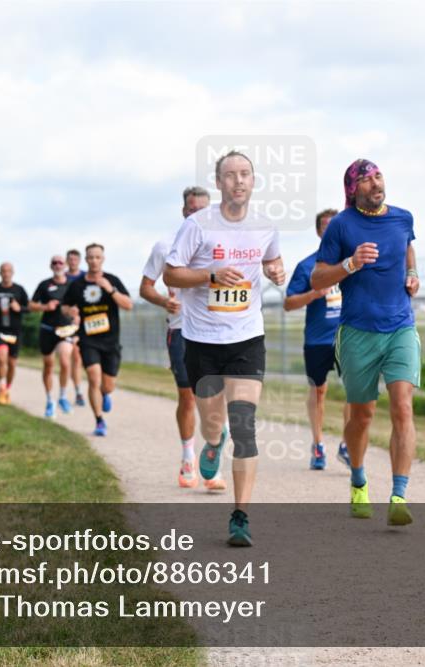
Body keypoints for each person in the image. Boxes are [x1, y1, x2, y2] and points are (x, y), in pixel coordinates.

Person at [164, 150, 285, 547]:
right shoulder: (198, 225)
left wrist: (275, 270)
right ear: (218, 183)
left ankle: (240, 516)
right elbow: (171, 274)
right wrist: (209, 275)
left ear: (254, 180)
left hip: (247, 338)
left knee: (245, 426)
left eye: (245, 173)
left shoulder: (265, 225)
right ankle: (214, 443)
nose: (238, 180)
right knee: (213, 423)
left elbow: (272, 260)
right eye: (230, 175)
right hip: (202, 340)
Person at [310, 159, 421, 526]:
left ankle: (399, 496)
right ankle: (358, 481)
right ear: (352, 189)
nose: (376, 183)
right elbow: (317, 278)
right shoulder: (341, 225)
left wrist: (412, 273)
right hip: (357, 332)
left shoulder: (403, 218)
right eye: (367, 179)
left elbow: (407, 248)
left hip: (400, 327)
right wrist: (351, 264)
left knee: (402, 407)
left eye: (378, 176)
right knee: (362, 415)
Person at [141, 185, 226, 490]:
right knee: (188, 396)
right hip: (181, 329)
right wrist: (164, 301)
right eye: (192, 210)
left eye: (203, 210)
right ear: (184, 212)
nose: (197, 215)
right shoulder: (166, 246)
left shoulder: (222, 244)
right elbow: (146, 287)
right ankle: (188, 457)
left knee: (215, 398)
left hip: (216, 329)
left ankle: (212, 461)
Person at [284, 209, 350, 470]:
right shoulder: (307, 265)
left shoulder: (351, 262)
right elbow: (289, 303)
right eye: (326, 226)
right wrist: (313, 293)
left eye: (335, 225)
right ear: (319, 231)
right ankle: (318, 444)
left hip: (348, 336)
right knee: (318, 390)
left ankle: (347, 444)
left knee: (355, 391)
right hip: (317, 339)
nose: (331, 230)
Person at [61, 243, 132, 436]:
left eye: (97, 257)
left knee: (107, 385)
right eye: (90, 257)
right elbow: (64, 307)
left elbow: (128, 305)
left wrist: (110, 290)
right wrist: (70, 311)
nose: (94, 260)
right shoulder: (77, 285)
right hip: (88, 339)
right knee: (93, 377)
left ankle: (106, 393)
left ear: (103, 259)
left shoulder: (112, 280)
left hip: (110, 341)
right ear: (86, 260)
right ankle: (99, 420)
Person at [31, 254, 78, 418]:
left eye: (60, 262)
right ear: (51, 266)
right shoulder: (44, 285)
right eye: (55, 263)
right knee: (48, 365)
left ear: (65, 265)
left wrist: (77, 315)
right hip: (47, 329)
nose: (58, 265)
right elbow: (31, 305)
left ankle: (63, 397)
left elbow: (79, 305)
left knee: (65, 361)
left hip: (66, 330)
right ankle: (50, 400)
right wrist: (45, 307)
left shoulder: (73, 285)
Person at [0, 262, 30, 405]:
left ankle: (7, 389)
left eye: (8, 271)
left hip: (14, 330)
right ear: (0, 273)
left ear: (13, 272)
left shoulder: (19, 289)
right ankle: (2, 387)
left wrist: (19, 308)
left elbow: (29, 307)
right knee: (2, 358)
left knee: (12, 363)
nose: (6, 273)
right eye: (3, 271)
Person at [65, 248, 87, 407]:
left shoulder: (86, 277)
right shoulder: (63, 278)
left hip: (86, 322)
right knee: (75, 358)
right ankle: (78, 392)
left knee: (85, 358)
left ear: (79, 261)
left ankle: (97, 386)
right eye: (70, 259)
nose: (72, 262)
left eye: (75, 259)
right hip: (67, 323)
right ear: (67, 261)